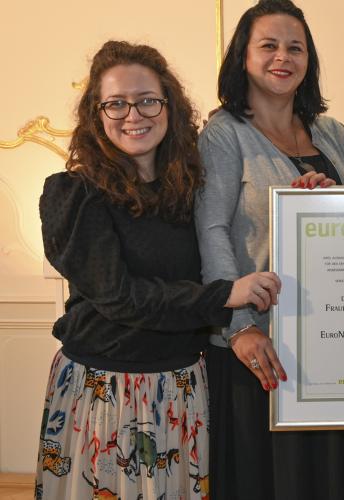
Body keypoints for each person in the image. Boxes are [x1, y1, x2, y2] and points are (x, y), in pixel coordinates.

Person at [35, 40, 280, 500]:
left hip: (181, 388)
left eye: (148, 100)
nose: (134, 115)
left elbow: (244, 235)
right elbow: (119, 297)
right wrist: (224, 295)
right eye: (116, 103)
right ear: (96, 113)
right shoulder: (74, 193)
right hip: (105, 391)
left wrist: (310, 197)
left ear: (169, 105)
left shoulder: (189, 190)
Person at [194, 1, 344, 499]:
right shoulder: (224, 134)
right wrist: (241, 327)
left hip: (329, 347)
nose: (282, 57)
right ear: (243, 56)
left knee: (332, 484)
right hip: (257, 353)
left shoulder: (333, 134)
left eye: (296, 46)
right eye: (268, 45)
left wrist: (329, 197)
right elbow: (211, 231)